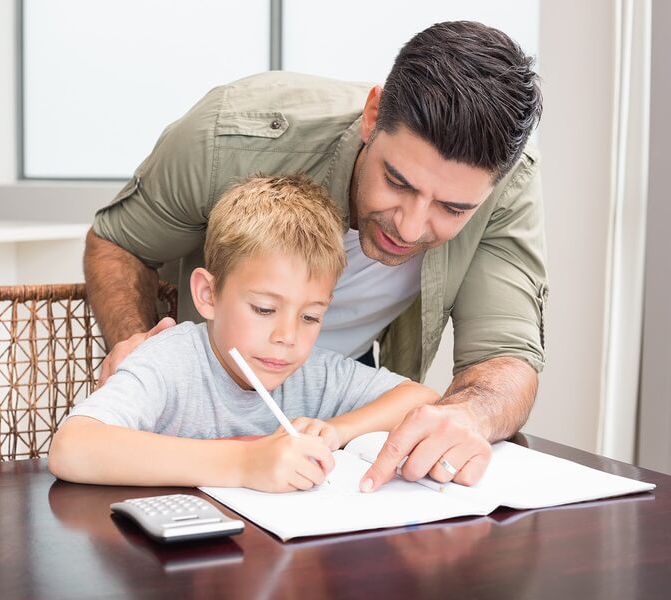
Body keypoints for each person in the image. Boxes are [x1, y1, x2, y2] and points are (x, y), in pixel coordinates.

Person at [84, 21, 545, 491]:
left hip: (335, 407)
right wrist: (139, 344)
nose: (408, 228)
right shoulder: (227, 135)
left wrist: (467, 415)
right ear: (372, 115)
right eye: (398, 182)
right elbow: (119, 242)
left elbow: (505, 357)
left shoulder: (508, 188)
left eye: (451, 209)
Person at [49, 176, 449, 491]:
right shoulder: (169, 362)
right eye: (263, 309)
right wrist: (245, 464)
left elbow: (422, 399)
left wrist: (338, 430)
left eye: (310, 317)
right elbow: (72, 447)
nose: (287, 336)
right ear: (208, 295)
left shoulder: (310, 373)